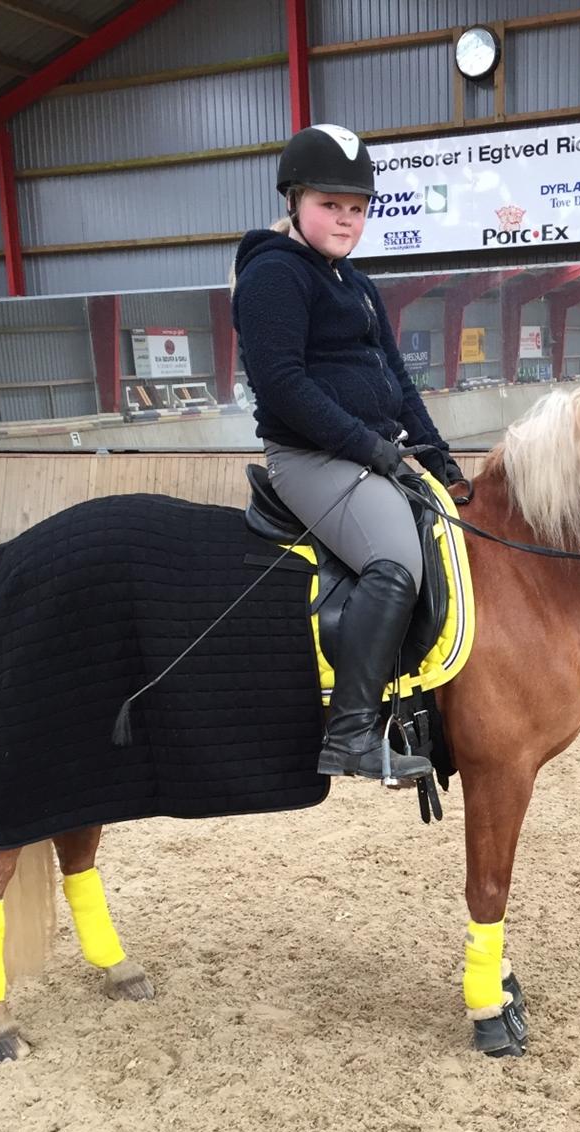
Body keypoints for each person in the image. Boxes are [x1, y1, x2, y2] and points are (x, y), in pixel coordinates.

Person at [231, 124, 464, 785]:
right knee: (395, 563)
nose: (345, 219)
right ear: (296, 200)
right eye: (330, 205)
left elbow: (397, 377)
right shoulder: (274, 274)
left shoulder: (355, 283)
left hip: (368, 454)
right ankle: (353, 734)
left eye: (356, 208)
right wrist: (366, 446)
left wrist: (439, 457)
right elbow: (282, 384)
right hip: (311, 457)